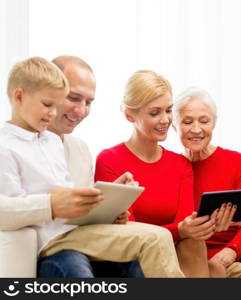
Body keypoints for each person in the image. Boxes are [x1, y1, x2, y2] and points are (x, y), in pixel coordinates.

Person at [0, 57, 184, 278]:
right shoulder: (7, 146)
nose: (79, 110)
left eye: (88, 102)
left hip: (77, 234)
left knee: (146, 251)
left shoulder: (56, 144)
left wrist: (107, 202)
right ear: (19, 97)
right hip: (55, 241)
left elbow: (75, 208)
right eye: (51, 104)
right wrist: (52, 205)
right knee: (154, 239)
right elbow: (12, 207)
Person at [95, 70, 217, 277]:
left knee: (193, 243)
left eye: (168, 110)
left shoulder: (180, 164)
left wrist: (192, 228)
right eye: (155, 113)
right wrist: (180, 230)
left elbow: (185, 224)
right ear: (129, 115)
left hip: (175, 252)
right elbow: (128, 231)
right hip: (131, 256)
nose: (165, 120)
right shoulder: (109, 160)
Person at [37, 55, 141, 278]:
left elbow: (82, 219)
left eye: (88, 102)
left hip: (85, 244)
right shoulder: (21, 145)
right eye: (74, 98)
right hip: (54, 251)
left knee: (136, 262)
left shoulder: (80, 149)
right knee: (74, 266)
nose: (81, 110)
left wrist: (110, 207)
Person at [173, 87, 241, 278]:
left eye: (204, 121)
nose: (196, 129)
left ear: (214, 123)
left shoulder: (239, 163)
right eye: (187, 122)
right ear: (174, 125)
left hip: (227, 256)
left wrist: (230, 252)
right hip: (183, 257)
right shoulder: (171, 166)